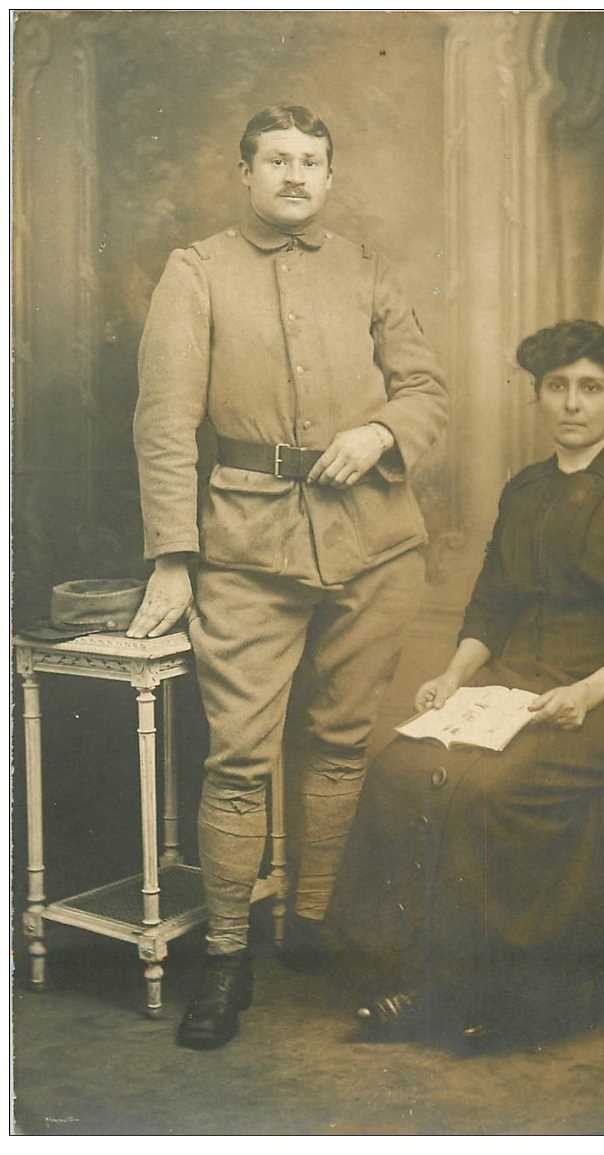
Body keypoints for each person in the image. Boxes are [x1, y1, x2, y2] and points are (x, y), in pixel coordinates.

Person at [128, 105, 448, 1050]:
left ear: (330, 177)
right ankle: (227, 961)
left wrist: (381, 430)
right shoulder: (197, 270)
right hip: (246, 545)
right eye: (277, 160)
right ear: (244, 173)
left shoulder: (369, 269)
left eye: (313, 161)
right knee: (238, 753)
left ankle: (313, 925)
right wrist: (172, 556)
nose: (296, 175)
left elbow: (427, 388)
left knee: (342, 737)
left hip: (376, 543)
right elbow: (164, 420)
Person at [331, 320, 604, 1047]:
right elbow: (492, 602)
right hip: (518, 685)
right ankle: (401, 969)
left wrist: (587, 693)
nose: (572, 403)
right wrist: (452, 675)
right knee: (402, 766)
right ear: (538, 397)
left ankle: (508, 994)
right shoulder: (525, 489)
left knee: (494, 788)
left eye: (590, 388)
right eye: (556, 387)